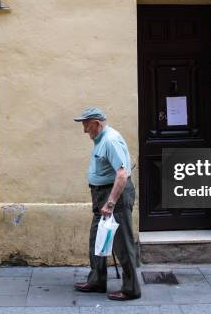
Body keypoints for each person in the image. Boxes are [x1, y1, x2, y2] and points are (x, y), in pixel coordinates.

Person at [73, 107, 141, 301]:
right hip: (102, 194)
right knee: (97, 239)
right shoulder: (100, 139)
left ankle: (131, 289)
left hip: (114, 196)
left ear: (97, 123)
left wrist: (110, 203)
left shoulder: (110, 140)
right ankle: (96, 280)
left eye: (86, 124)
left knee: (122, 243)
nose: (84, 129)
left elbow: (122, 175)